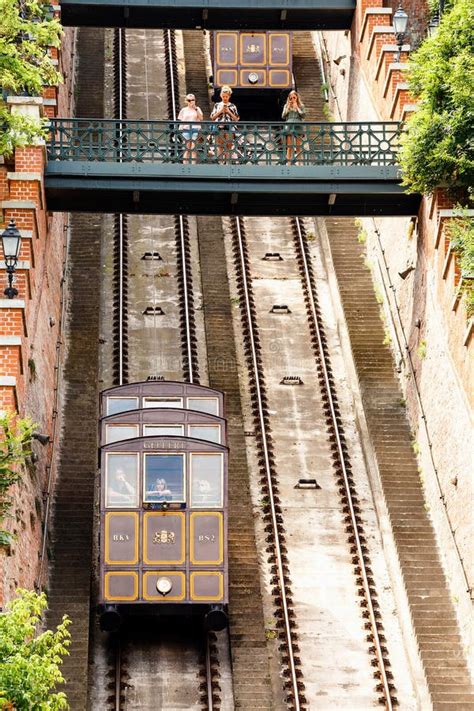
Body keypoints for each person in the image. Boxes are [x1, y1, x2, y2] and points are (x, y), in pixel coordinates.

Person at [211, 85, 239, 163]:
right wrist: (220, 111)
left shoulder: (233, 106)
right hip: (219, 127)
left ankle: (228, 165)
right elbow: (213, 117)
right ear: (221, 96)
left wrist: (228, 112)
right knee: (219, 147)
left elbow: (236, 119)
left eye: (226, 96)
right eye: (223, 96)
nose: (225, 98)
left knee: (229, 147)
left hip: (229, 128)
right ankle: (221, 164)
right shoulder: (217, 105)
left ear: (229, 96)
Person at [177, 93, 204, 164]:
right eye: (189, 100)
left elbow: (201, 118)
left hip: (195, 129)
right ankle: (185, 166)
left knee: (193, 148)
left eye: (192, 100)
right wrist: (179, 130)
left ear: (195, 100)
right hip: (186, 130)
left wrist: (195, 108)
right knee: (187, 149)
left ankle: (193, 166)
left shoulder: (197, 109)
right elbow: (182, 121)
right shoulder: (183, 110)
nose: (191, 101)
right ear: (186, 101)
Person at [281, 90, 306, 164]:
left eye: (294, 97)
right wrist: (287, 109)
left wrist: (297, 108)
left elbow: (303, 115)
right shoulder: (286, 106)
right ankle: (288, 164)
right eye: (291, 98)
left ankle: (300, 164)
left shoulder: (301, 106)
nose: (292, 99)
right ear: (289, 98)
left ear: (297, 97)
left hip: (298, 126)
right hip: (289, 126)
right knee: (289, 147)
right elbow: (283, 116)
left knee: (298, 147)